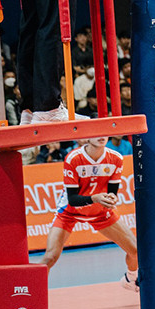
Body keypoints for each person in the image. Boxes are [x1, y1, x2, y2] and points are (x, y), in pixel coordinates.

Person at [40, 125, 138, 292]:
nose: (102, 136)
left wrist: (111, 198)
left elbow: (112, 192)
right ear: (86, 137)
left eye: (104, 132)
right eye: (96, 132)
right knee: (50, 257)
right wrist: (95, 198)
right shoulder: (73, 158)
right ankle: (32, 293)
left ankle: (131, 279)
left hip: (100, 213)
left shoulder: (116, 158)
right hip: (69, 213)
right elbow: (72, 200)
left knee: (135, 251)